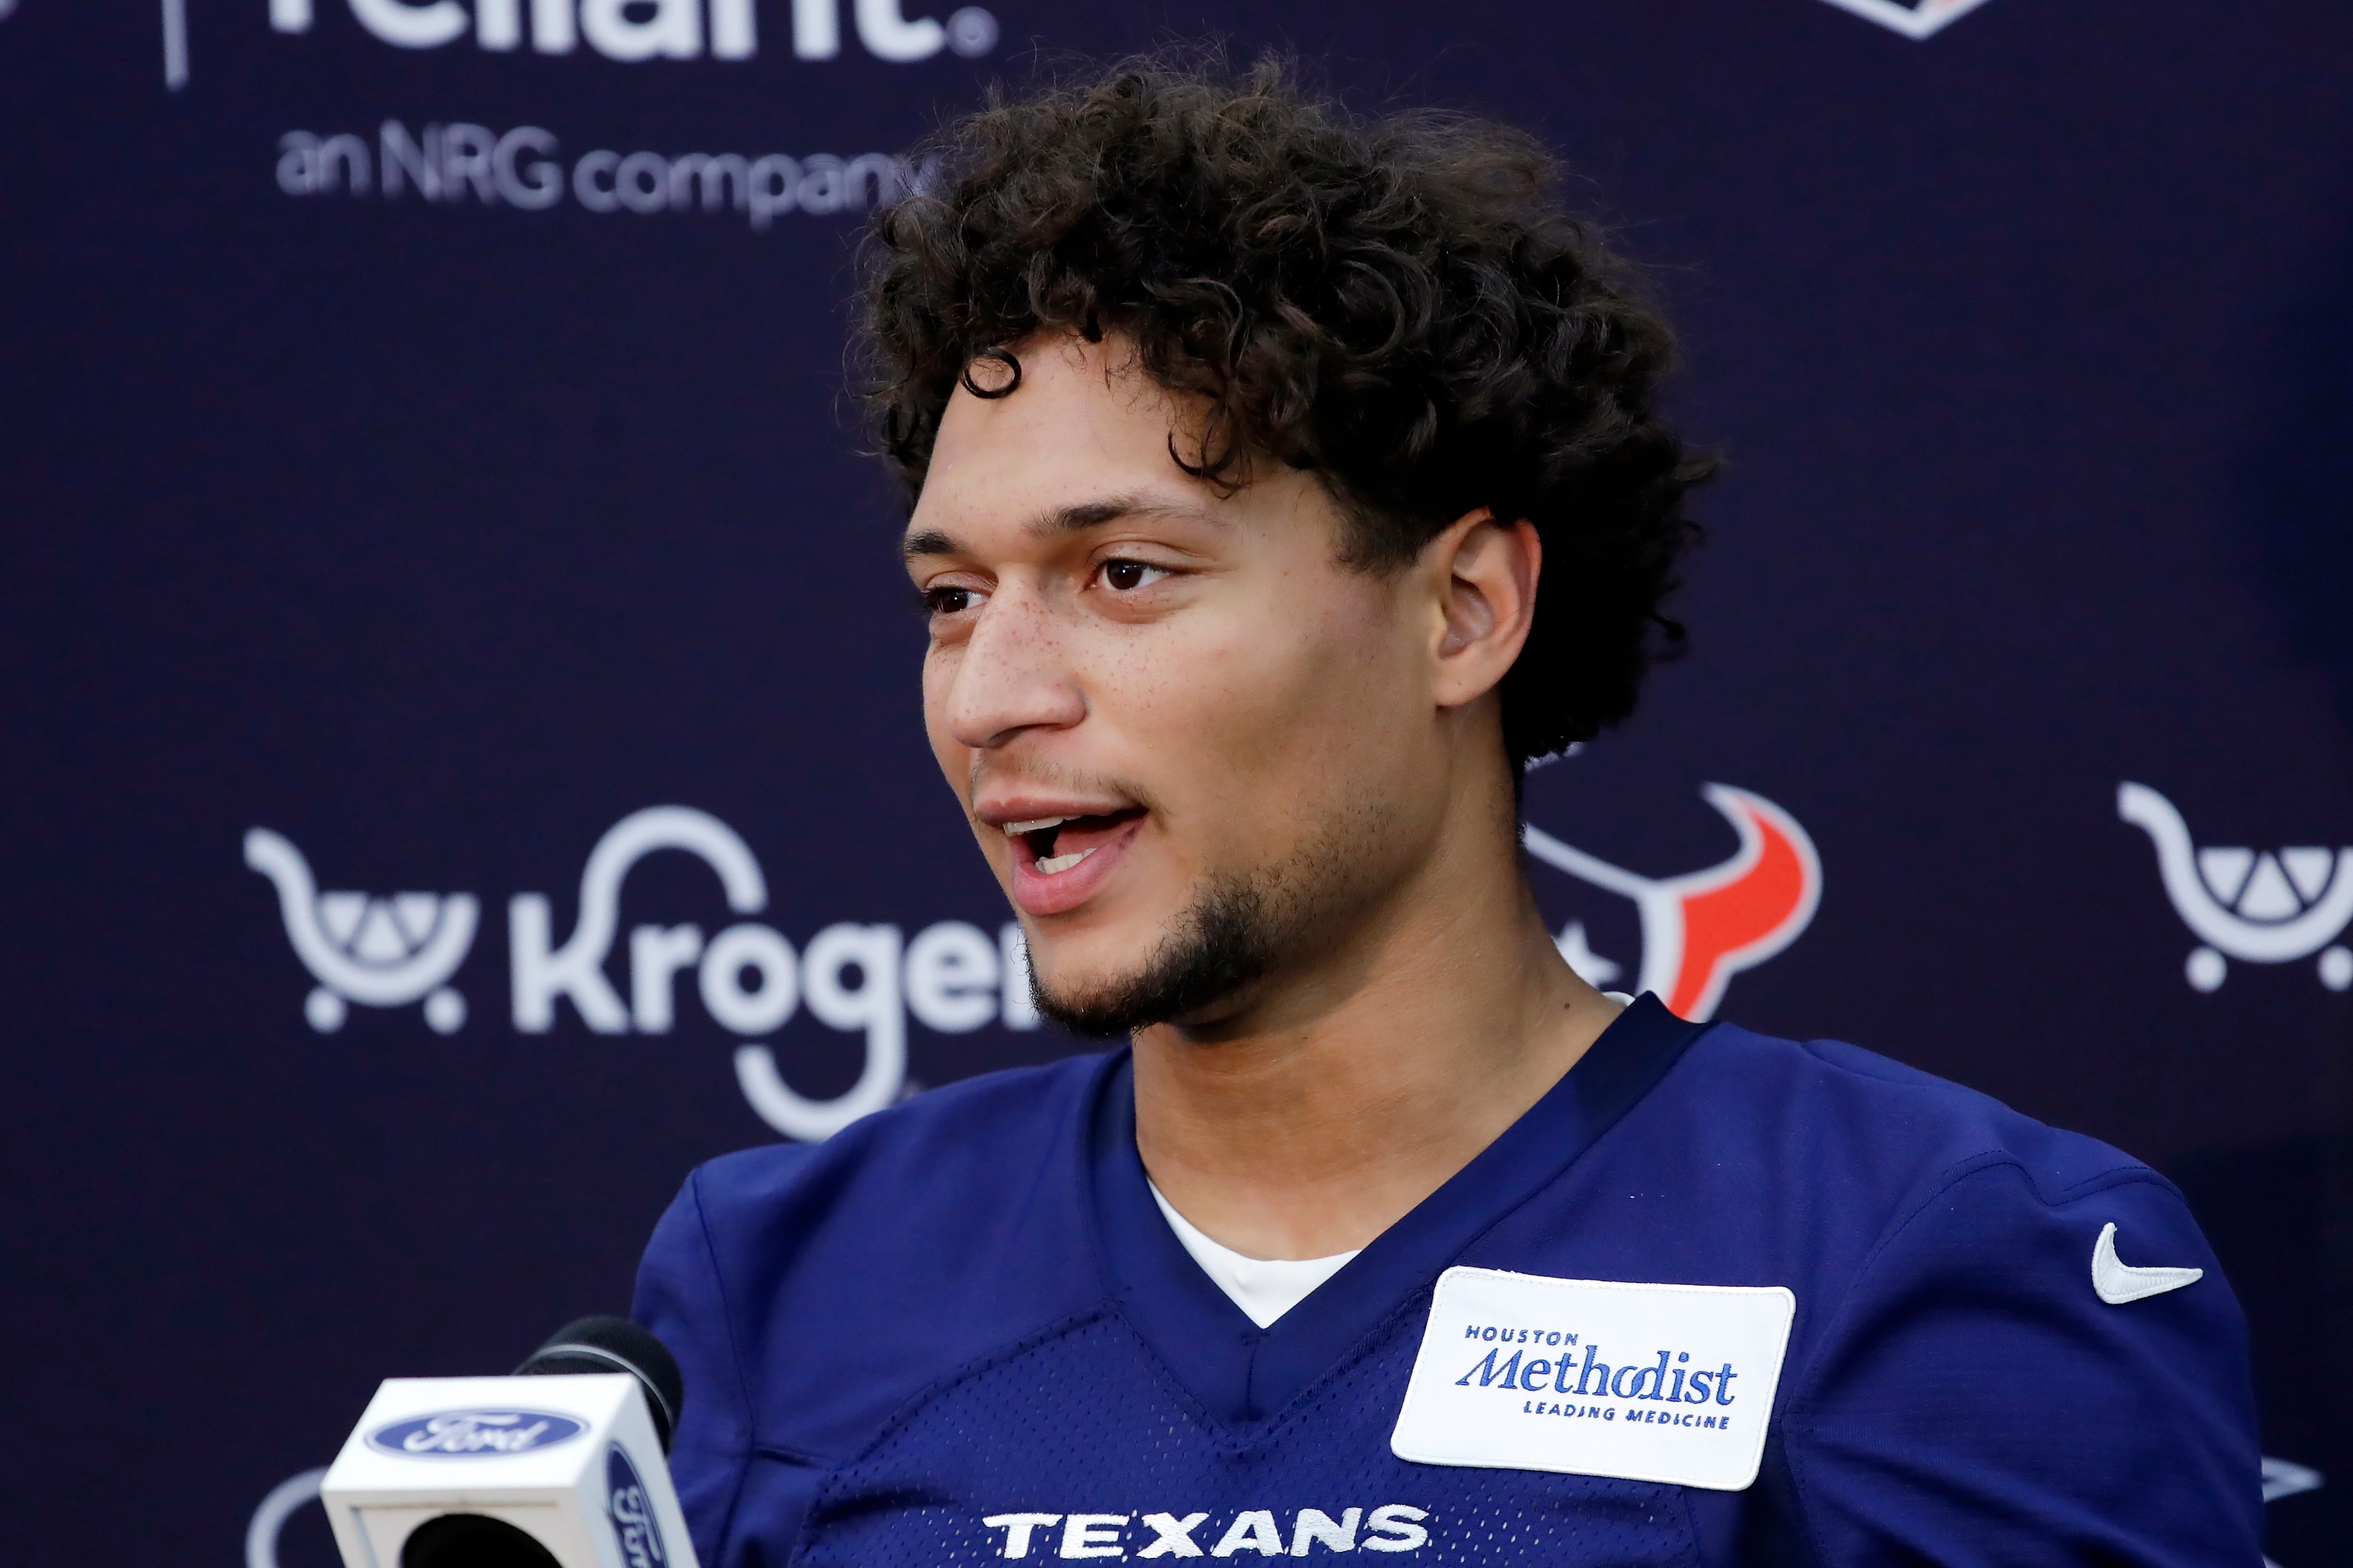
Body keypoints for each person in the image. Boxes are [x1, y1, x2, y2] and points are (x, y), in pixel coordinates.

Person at [635, 55, 2258, 1567]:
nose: (992, 694)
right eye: (949, 597)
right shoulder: (778, 1275)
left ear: (1464, 610)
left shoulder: (1930, 1255)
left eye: (1123, 576)